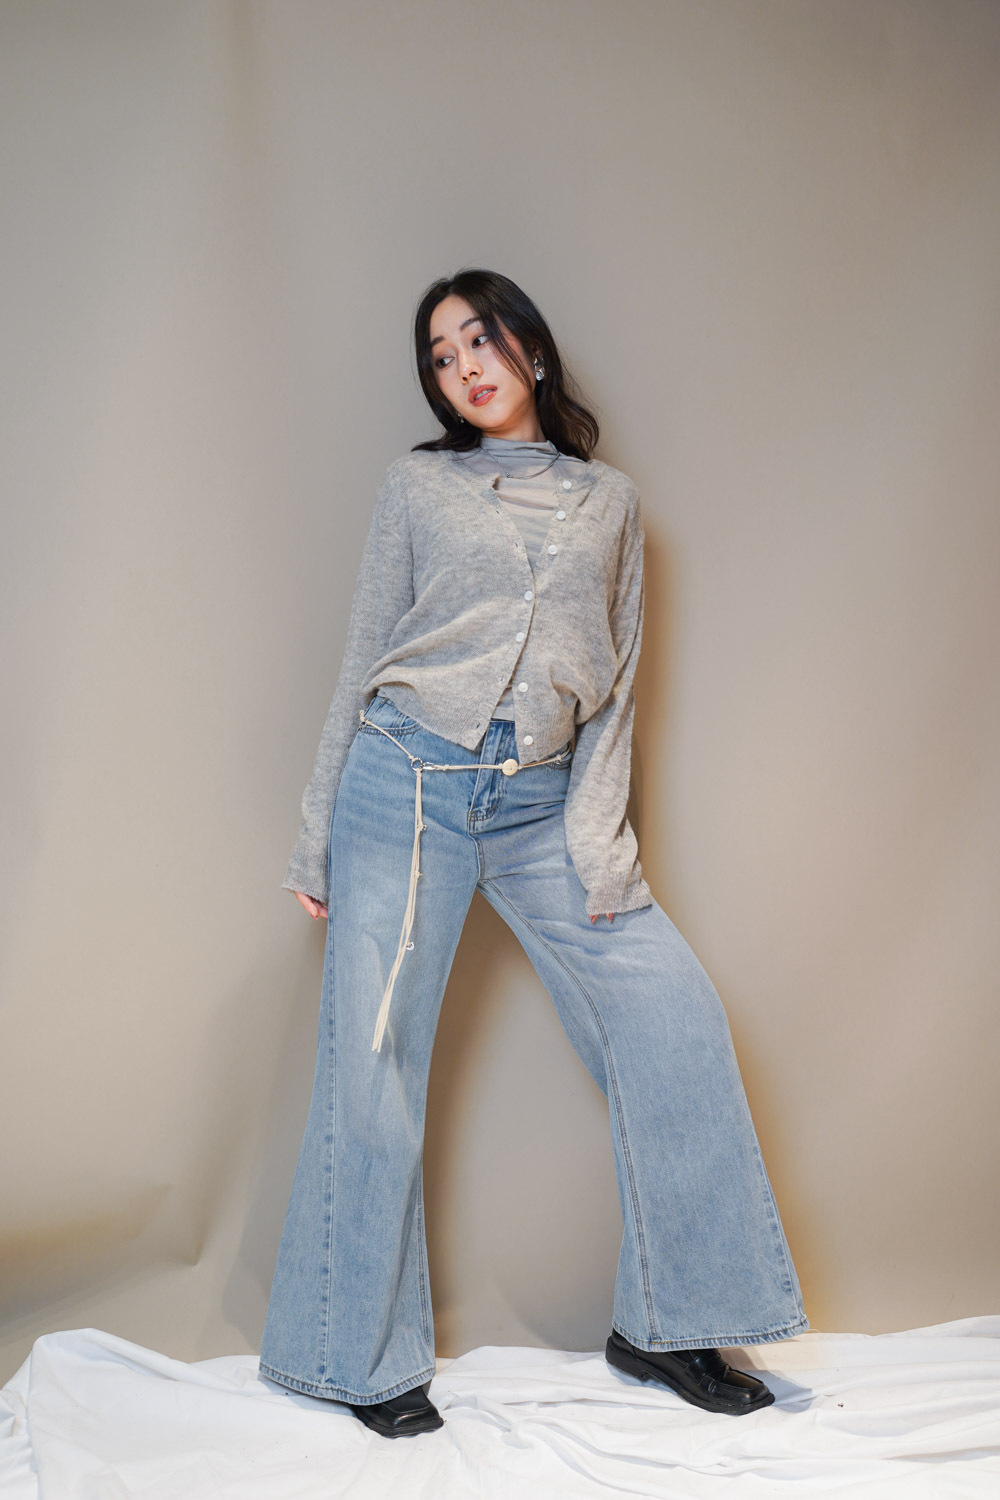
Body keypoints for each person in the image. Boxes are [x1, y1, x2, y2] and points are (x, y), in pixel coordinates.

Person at [257, 268, 809, 1439]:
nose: (463, 365)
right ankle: (355, 1361)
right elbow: (362, 655)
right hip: (402, 784)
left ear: (532, 350)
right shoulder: (416, 486)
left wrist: (600, 849)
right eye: (440, 355)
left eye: (479, 338)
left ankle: (670, 1325)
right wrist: (314, 834)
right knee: (374, 1064)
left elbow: (617, 694)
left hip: (540, 803)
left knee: (673, 1020)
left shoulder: (611, 505)